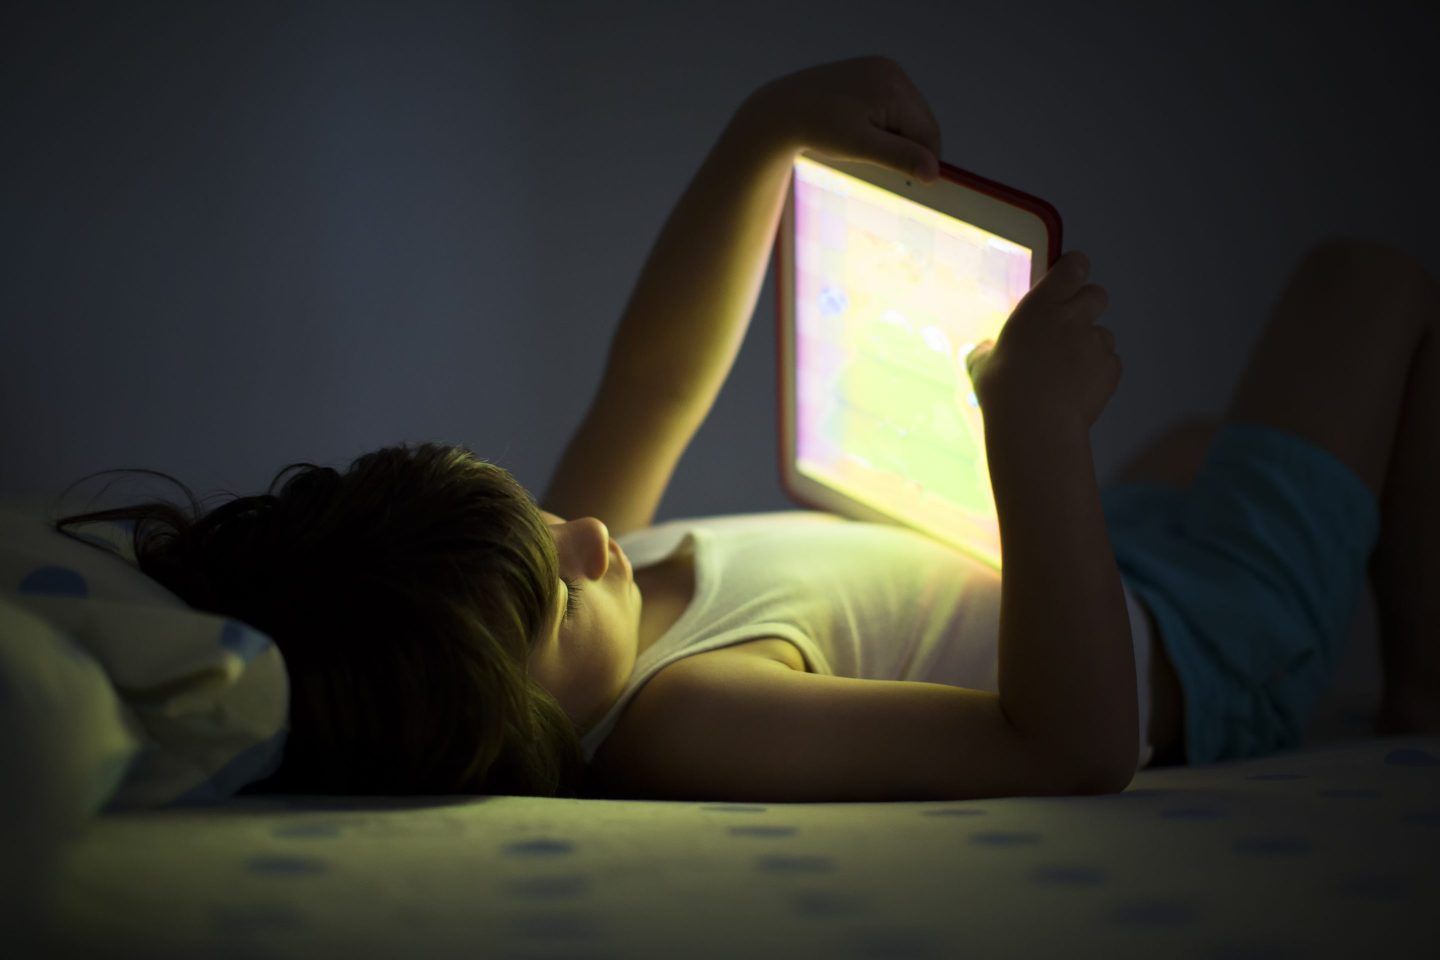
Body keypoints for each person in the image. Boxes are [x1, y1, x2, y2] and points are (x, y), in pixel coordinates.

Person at [52, 57, 1438, 804]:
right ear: (509, 729)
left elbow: (653, 379)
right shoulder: (676, 721)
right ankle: (1421, 682)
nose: (588, 532)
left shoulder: (582, 605)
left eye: (536, 521)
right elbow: (1070, 749)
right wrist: (1032, 441)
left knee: (1206, 439)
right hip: (1189, 646)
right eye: (561, 582)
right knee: (1369, 290)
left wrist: (758, 143)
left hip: (1116, 563)